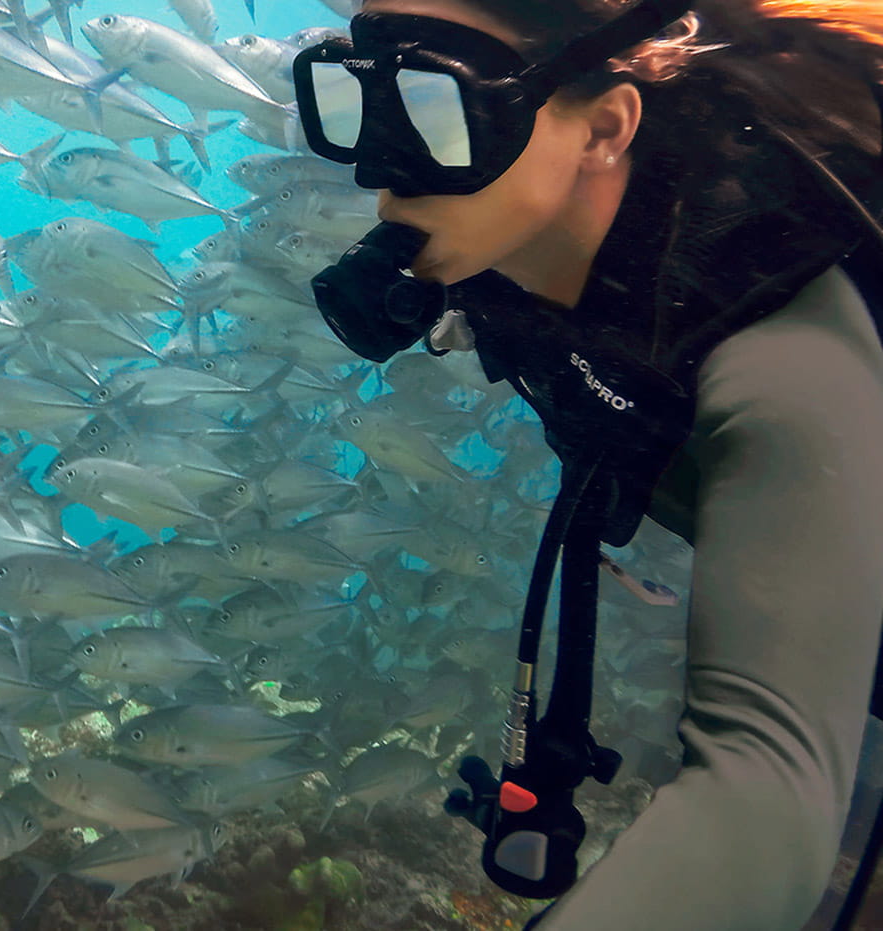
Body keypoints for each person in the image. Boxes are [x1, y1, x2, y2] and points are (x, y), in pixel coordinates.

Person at [293, 1, 883, 929]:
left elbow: (763, 793)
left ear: (606, 127)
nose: (384, 171)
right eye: (354, 105)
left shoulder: (783, 347)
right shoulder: (510, 250)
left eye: (437, 106)